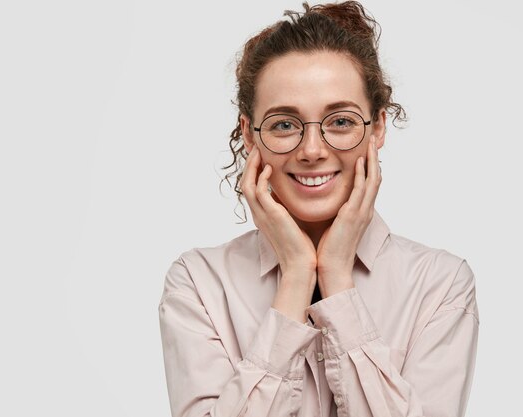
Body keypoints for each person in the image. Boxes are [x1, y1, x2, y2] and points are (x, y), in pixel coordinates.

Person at [158, 2, 480, 416]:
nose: (312, 150)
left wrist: (337, 281)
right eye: (284, 124)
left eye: (341, 122)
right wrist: (295, 276)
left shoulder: (440, 285)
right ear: (249, 134)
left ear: (377, 127)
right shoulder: (199, 284)